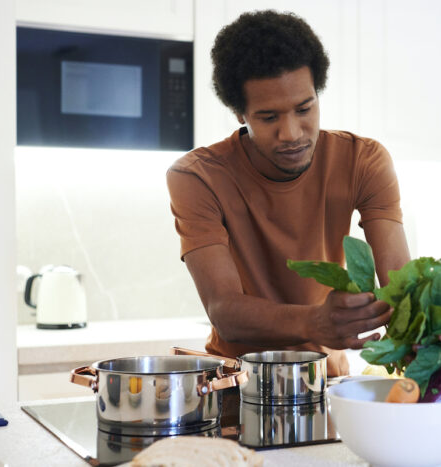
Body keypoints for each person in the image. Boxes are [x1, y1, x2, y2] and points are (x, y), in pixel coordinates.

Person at [166, 10, 410, 377]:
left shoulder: (363, 160)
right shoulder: (197, 177)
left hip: (328, 384)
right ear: (239, 113)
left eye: (304, 108)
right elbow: (224, 310)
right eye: (269, 117)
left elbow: (400, 284)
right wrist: (316, 322)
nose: (292, 133)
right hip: (239, 386)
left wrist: (430, 323)